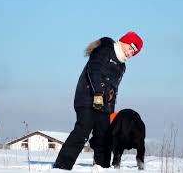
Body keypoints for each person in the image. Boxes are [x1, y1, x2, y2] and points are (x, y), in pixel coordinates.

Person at [53, 31, 144, 170]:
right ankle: (61, 166)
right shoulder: (105, 50)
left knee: (104, 137)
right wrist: (98, 93)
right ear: (124, 41)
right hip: (88, 99)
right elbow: (93, 70)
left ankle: (102, 168)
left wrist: (111, 107)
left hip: (105, 106)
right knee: (82, 131)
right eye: (131, 48)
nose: (131, 53)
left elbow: (114, 88)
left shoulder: (122, 65)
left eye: (134, 52)